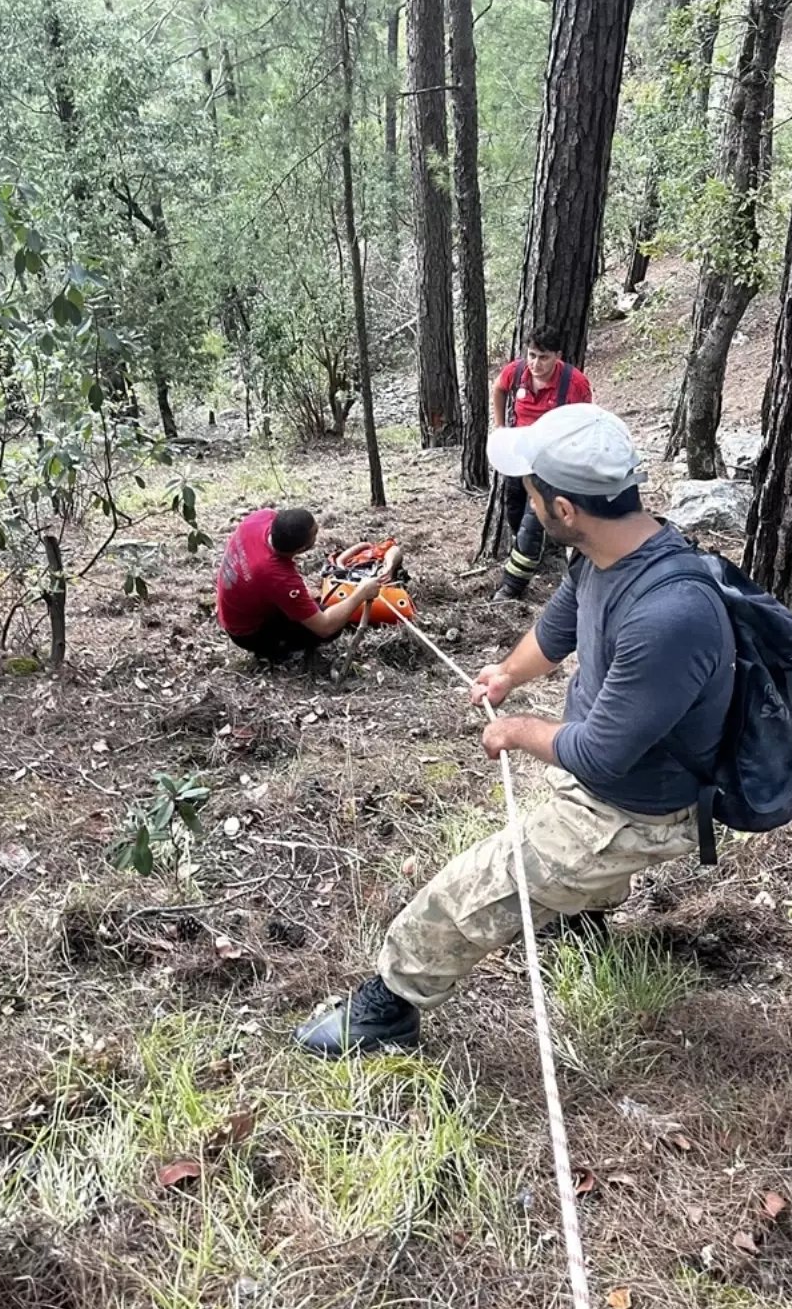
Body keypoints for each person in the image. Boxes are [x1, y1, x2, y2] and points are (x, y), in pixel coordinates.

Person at [295, 404, 737, 1055]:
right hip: (613, 783)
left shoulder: (670, 615)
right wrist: (505, 675)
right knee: (557, 851)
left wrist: (516, 730)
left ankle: (387, 1010)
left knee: (472, 887)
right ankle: (578, 917)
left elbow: (601, 753)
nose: (525, 500)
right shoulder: (610, 552)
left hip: (634, 805)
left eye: (532, 490)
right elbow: (560, 623)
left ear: (563, 510)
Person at [490, 325, 592, 602]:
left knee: (532, 520)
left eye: (543, 357)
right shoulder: (516, 371)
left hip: (551, 461)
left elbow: (585, 421)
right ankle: (532, 552)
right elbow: (499, 389)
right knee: (513, 505)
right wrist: (500, 427)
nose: (536, 364)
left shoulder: (575, 383)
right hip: (519, 453)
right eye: (532, 355)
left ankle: (512, 587)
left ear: (558, 356)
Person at [216, 507, 383, 662]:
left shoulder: (260, 517)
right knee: (332, 627)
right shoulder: (278, 577)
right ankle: (276, 650)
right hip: (247, 632)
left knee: (310, 605)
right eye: (315, 533)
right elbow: (325, 626)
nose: (318, 532)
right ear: (303, 548)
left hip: (235, 606)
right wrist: (361, 593)